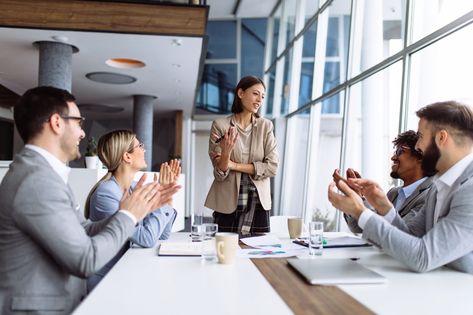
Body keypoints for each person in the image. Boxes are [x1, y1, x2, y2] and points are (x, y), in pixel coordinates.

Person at [0, 86, 179, 314]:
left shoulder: (42, 174)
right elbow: (86, 259)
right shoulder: (37, 182)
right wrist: (128, 215)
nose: (83, 134)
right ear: (56, 123)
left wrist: (131, 211)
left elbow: (83, 229)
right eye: (78, 122)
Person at [328, 100, 473, 274]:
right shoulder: (438, 187)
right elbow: (412, 236)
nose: (417, 145)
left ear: (441, 138)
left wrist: (361, 211)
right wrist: (384, 207)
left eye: (420, 136)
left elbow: (423, 257)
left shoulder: (469, 190)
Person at [85, 129, 180, 291]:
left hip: (129, 271)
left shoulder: (136, 187)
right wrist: (160, 196)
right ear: (127, 156)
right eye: (140, 146)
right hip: (108, 282)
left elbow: (161, 235)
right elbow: (146, 238)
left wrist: (166, 196)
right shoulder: (105, 194)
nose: (144, 149)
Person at [205, 76, 278, 235]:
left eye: (263, 96)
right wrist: (226, 154)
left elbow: (272, 167)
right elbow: (220, 174)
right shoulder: (220, 126)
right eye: (255, 94)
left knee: (257, 254)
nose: (259, 100)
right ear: (240, 93)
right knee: (225, 253)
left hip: (258, 202)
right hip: (227, 203)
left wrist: (234, 165)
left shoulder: (266, 126)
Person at [343, 130, 435, 233]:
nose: (393, 157)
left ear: (420, 156)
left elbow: (400, 235)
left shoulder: (430, 196)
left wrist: (364, 202)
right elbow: (360, 229)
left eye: (400, 151)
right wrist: (356, 198)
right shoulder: (393, 193)